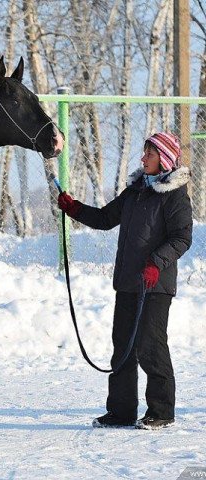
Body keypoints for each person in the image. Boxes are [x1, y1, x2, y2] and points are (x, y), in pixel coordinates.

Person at [57, 132, 192, 430]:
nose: (143, 158)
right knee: (123, 347)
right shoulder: (136, 191)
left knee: (150, 345)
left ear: (165, 159)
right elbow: (106, 218)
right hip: (129, 282)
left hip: (155, 285)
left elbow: (182, 238)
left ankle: (162, 411)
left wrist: (157, 263)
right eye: (144, 153)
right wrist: (75, 208)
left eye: (150, 154)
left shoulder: (174, 195)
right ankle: (121, 411)